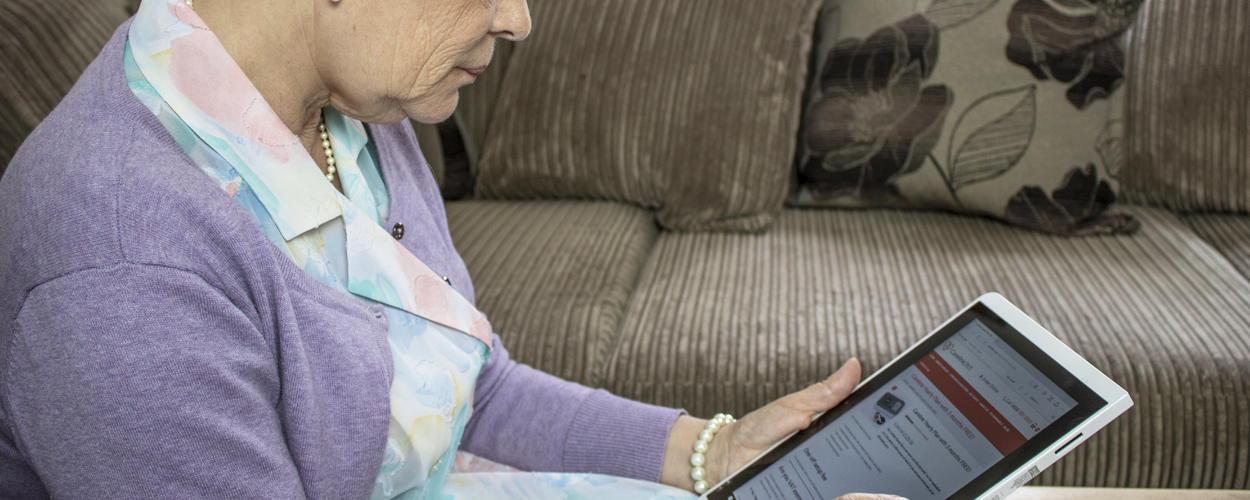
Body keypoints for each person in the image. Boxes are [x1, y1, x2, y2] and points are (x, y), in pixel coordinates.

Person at [0, 0, 906, 498]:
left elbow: (468, 390)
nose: (518, 19)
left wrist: (715, 452)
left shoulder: (354, 108)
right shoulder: (120, 266)